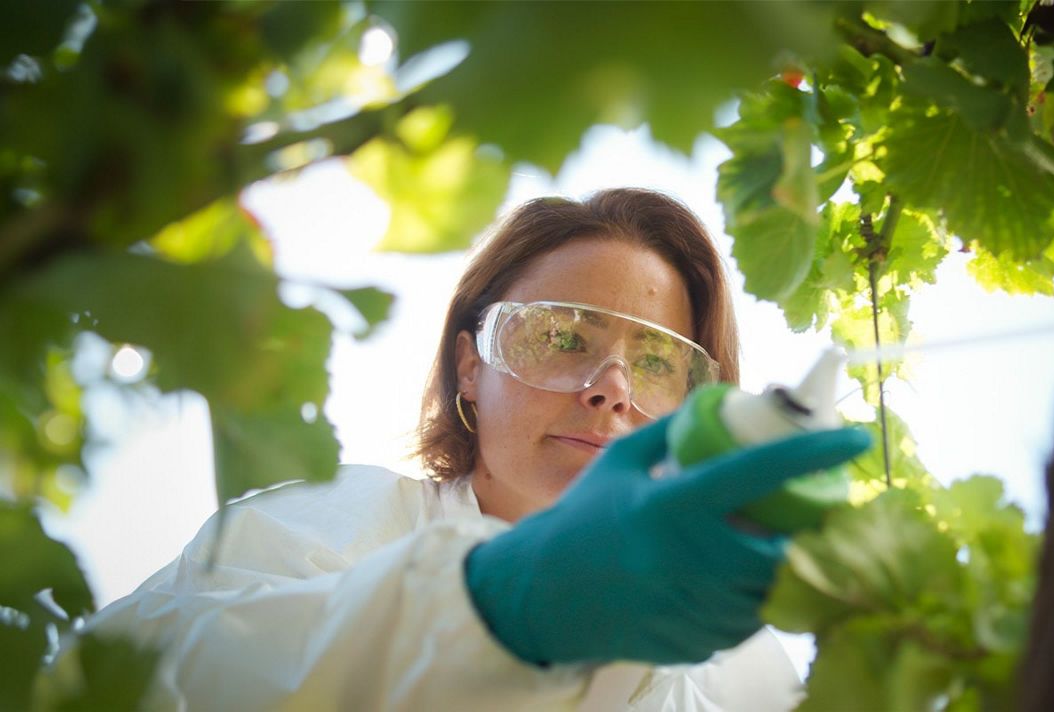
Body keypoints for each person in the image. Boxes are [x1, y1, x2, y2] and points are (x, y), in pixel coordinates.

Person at [78, 188, 870, 710]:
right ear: (469, 364)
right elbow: (126, 673)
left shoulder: (750, 666)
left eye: (658, 361)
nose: (612, 388)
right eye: (561, 336)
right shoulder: (333, 517)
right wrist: (500, 605)